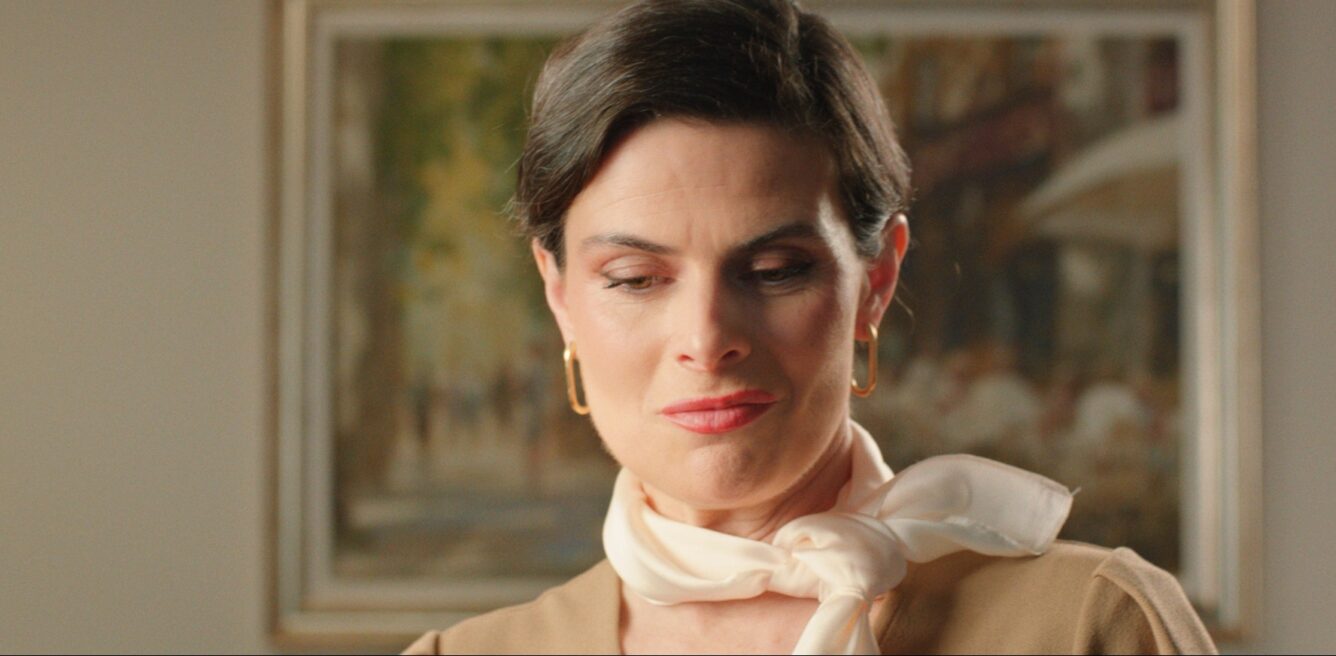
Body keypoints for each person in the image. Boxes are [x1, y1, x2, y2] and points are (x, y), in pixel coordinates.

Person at [403, 0, 1216, 653]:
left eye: (772, 270)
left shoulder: (1087, 627)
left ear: (876, 280)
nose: (707, 337)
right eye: (636, 279)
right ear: (560, 297)